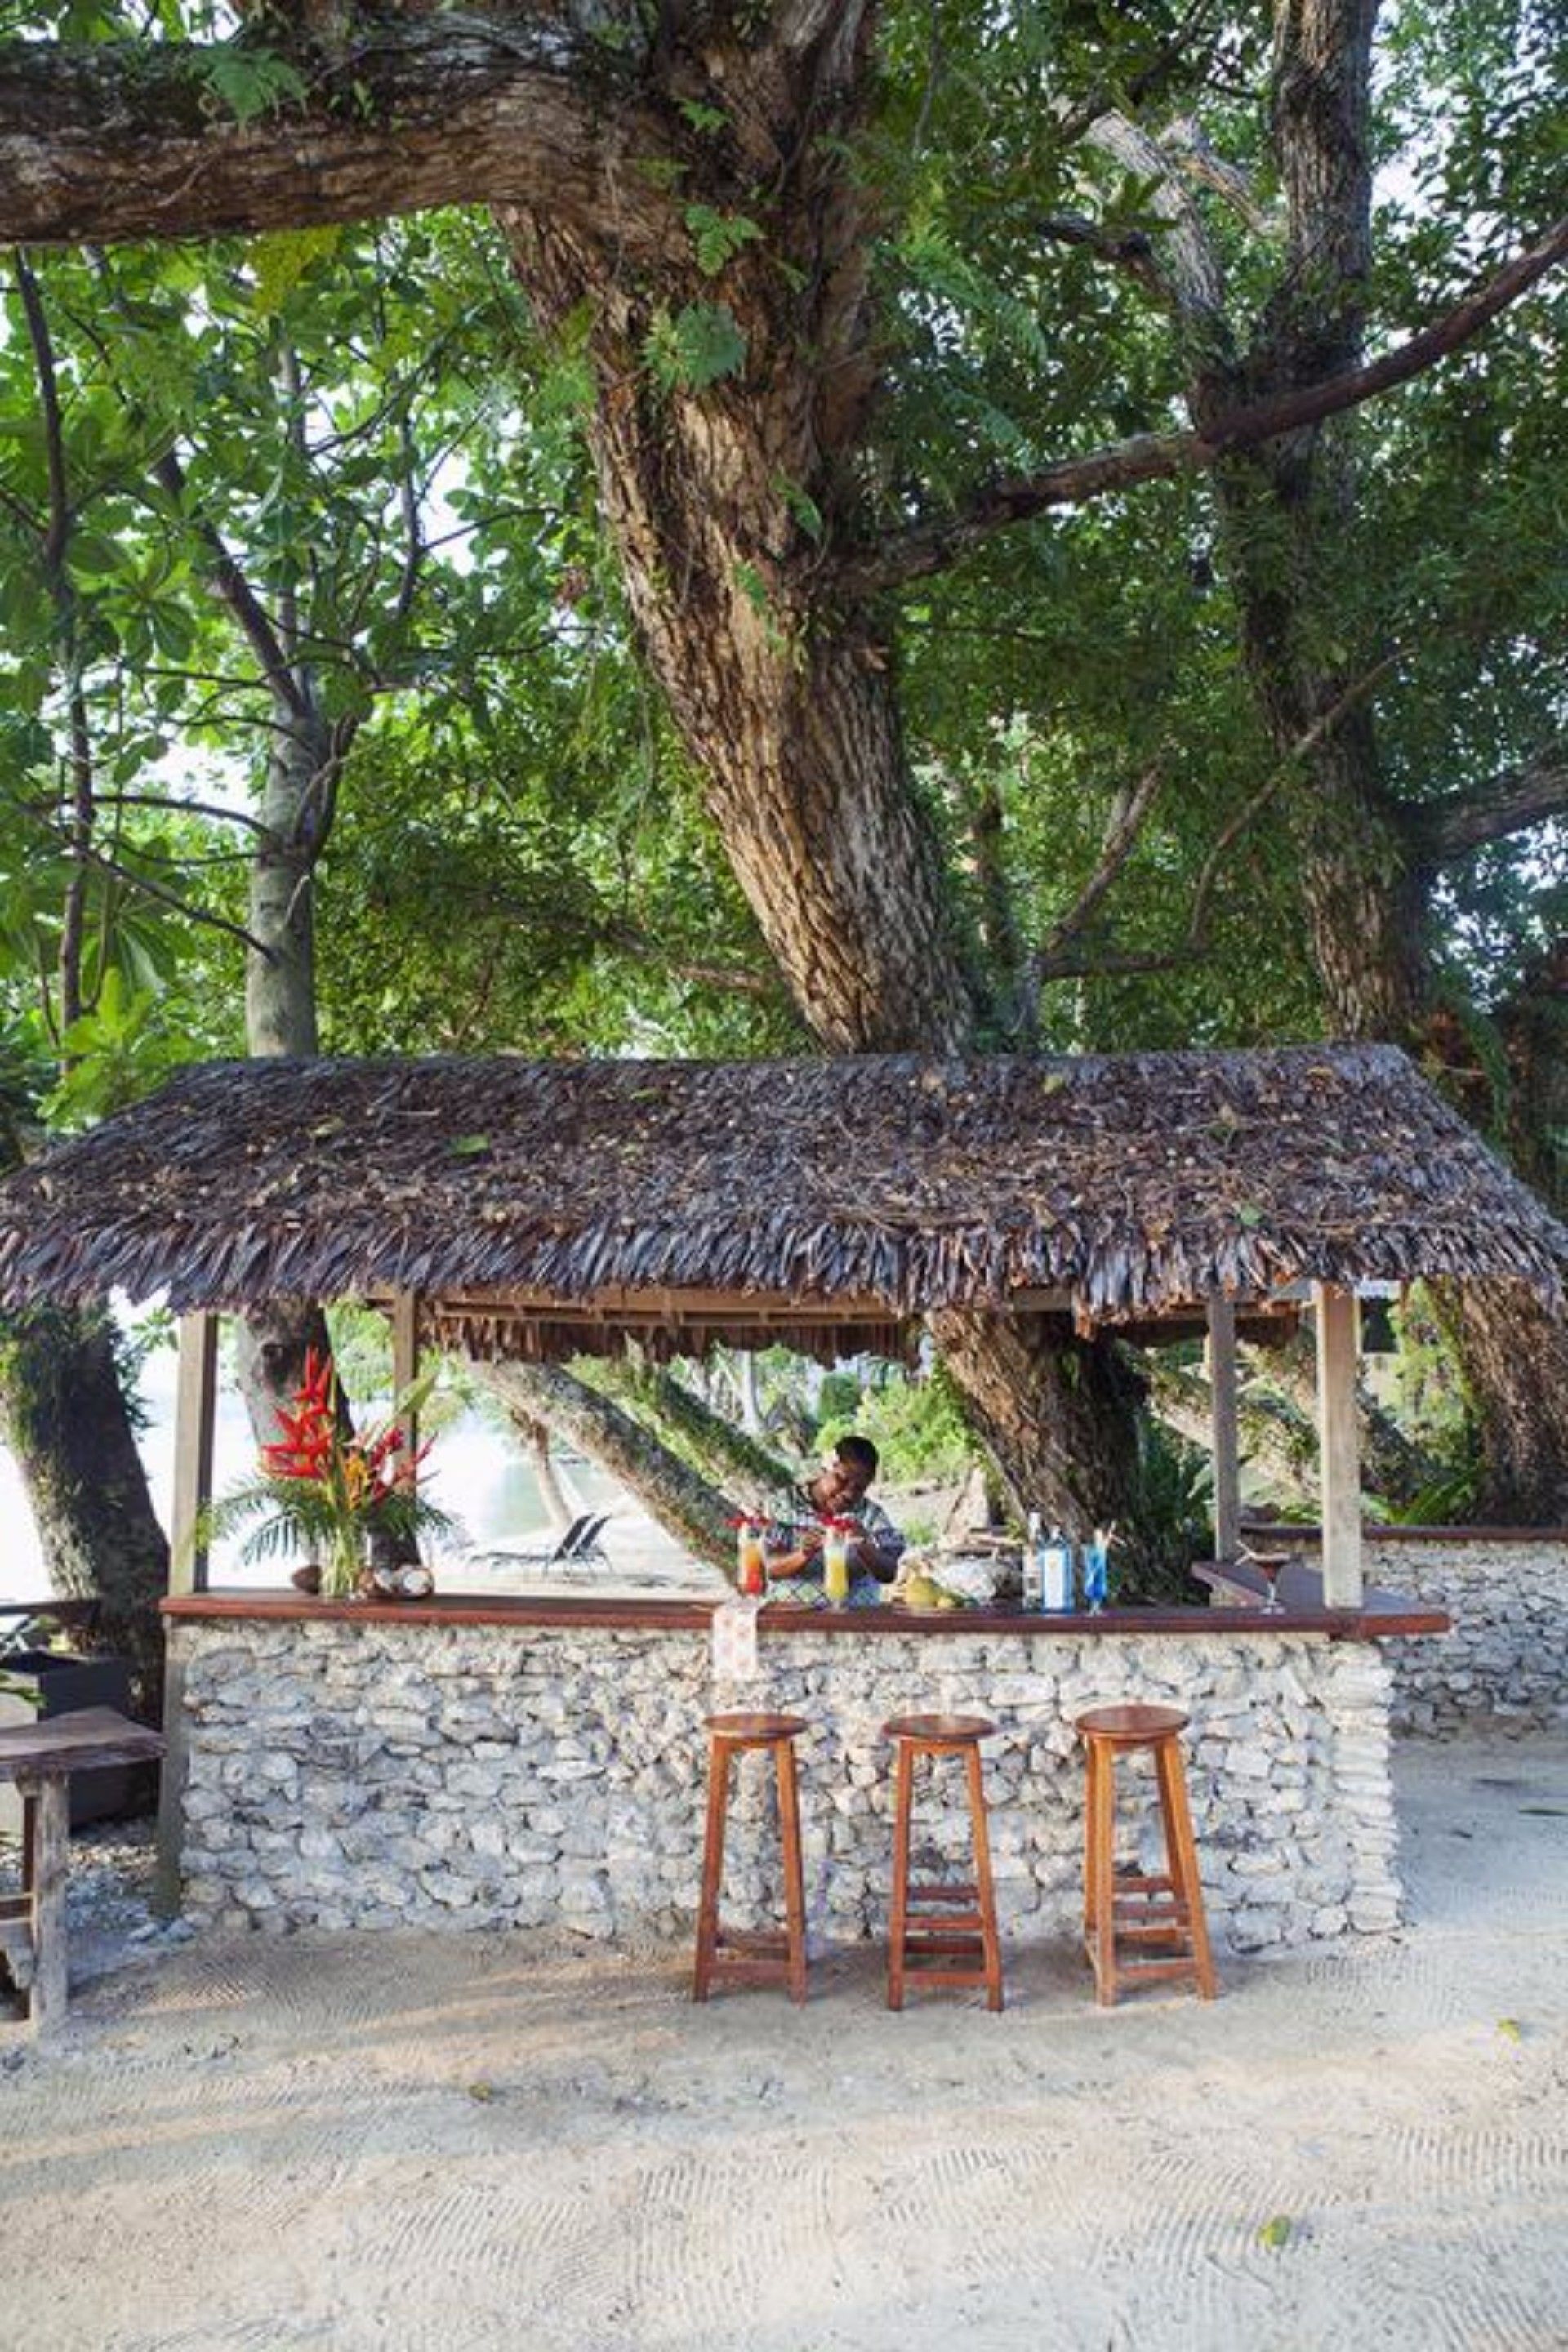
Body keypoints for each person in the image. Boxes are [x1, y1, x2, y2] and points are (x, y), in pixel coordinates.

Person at [761, 1433, 906, 1608]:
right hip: (791, 1616)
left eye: (859, 1488)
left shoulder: (872, 1515)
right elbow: (768, 1568)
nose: (849, 1494)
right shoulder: (782, 1504)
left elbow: (889, 1573)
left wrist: (866, 1547)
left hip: (856, 1618)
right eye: (842, 1480)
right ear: (827, 1467)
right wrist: (803, 1554)